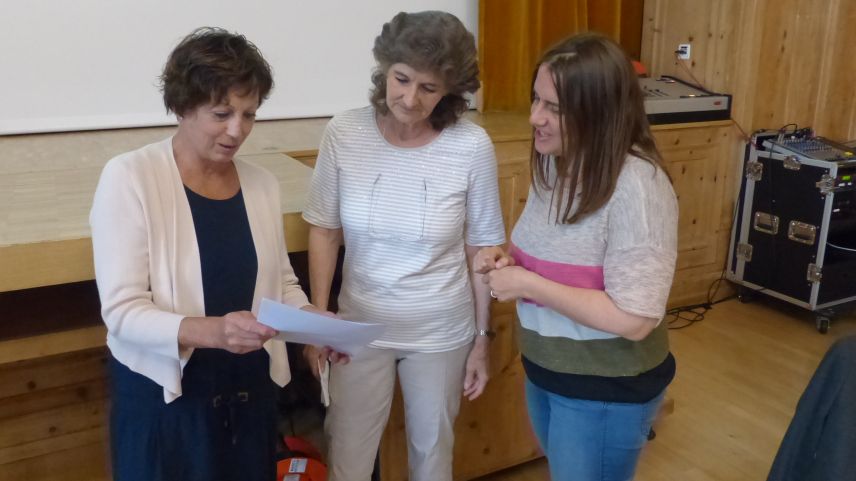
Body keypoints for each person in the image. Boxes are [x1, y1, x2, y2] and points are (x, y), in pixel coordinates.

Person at [90, 27, 341, 481]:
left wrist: (316, 327)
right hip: (166, 404)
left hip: (249, 397)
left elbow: (281, 284)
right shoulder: (129, 177)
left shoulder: (261, 183)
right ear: (183, 106)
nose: (237, 130)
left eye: (249, 114)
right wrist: (215, 332)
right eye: (222, 113)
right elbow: (123, 313)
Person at [301, 11, 505, 481]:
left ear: (451, 91)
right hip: (358, 328)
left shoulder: (471, 146)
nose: (410, 99)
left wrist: (481, 340)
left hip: (441, 332)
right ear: (384, 69)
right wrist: (318, 322)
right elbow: (325, 230)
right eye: (402, 79)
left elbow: (481, 249)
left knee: (432, 457)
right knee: (348, 458)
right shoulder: (344, 132)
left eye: (429, 88)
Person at [474, 33, 678, 481]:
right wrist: (508, 262)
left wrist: (527, 284)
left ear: (600, 112)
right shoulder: (554, 163)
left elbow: (635, 318)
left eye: (555, 109)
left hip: (606, 388)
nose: (534, 118)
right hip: (549, 372)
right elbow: (559, 260)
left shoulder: (638, 187)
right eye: (536, 100)